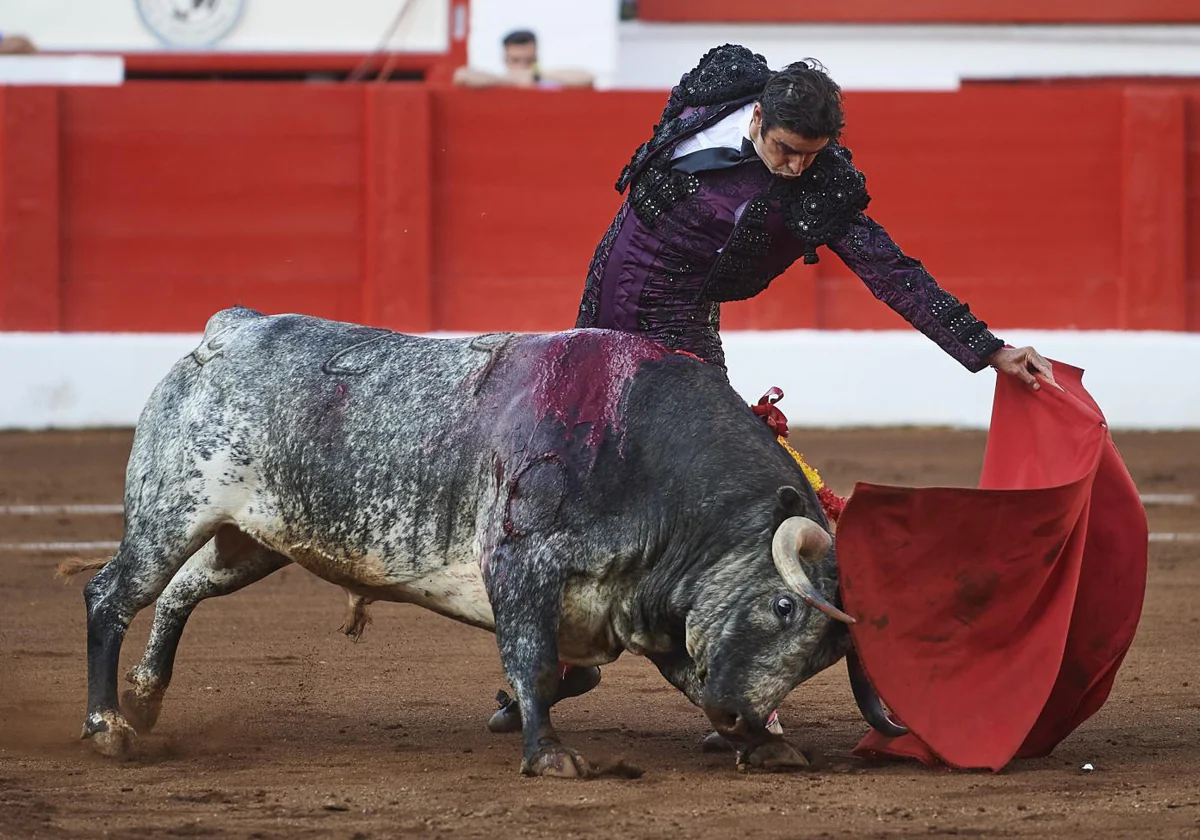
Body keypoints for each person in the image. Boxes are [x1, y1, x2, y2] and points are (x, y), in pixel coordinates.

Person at [485, 43, 1056, 742]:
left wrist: (988, 348)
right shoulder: (717, 85)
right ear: (755, 115)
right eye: (786, 149)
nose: (794, 167)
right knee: (568, 486)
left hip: (677, 343)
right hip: (597, 317)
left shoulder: (823, 190)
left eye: (810, 155)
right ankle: (563, 661)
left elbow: (894, 274)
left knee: (721, 503)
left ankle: (755, 684)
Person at [452, 29, 595, 90]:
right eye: (516, 60)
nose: (522, 66)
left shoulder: (546, 83)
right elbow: (461, 76)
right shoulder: (494, 82)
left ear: (537, 58)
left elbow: (587, 78)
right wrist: (510, 80)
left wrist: (536, 75)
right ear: (505, 60)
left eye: (529, 61)